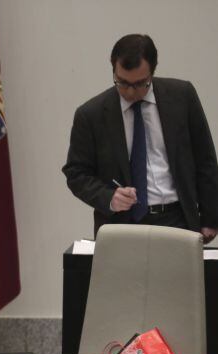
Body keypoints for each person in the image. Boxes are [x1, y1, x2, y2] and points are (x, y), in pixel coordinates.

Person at [62, 34, 218, 243]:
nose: (130, 92)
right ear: (114, 70)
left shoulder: (182, 96)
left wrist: (210, 218)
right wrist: (109, 198)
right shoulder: (91, 114)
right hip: (121, 225)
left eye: (140, 84)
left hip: (178, 219)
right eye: (122, 82)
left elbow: (205, 159)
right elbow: (76, 173)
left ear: (152, 73)